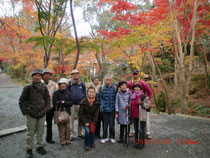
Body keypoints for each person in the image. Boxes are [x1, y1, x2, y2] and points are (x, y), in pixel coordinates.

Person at [19, 69, 50, 158]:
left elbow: (48, 99)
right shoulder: (28, 88)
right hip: (31, 113)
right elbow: (22, 101)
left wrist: (46, 109)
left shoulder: (44, 87)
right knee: (30, 132)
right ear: (32, 77)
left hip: (42, 113)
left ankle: (39, 146)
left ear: (41, 77)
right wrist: (25, 112)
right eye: (35, 75)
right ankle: (29, 149)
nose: (37, 77)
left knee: (40, 131)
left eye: (39, 75)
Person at [127, 69, 152, 139]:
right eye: (134, 74)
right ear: (132, 74)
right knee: (132, 117)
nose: (135, 75)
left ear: (138, 74)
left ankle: (147, 132)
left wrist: (147, 100)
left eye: (136, 74)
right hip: (133, 103)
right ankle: (132, 131)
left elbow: (150, 92)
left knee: (146, 118)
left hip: (142, 103)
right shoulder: (129, 83)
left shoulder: (143, 83)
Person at [97, 74, 117, 144]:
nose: (108, 81)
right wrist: (101, 105)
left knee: (112, 125)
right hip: (104, 110)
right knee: (105, 124)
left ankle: (112, 137)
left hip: (112, 109)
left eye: (109, 80)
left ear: (112, 81)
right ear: (104, 80)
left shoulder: (115, 88)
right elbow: (98, 97)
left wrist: (116, 108)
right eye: (107, 80)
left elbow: (116, 98)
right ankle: (104, 137)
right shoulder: (101, 87)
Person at [67, 69, 86, 140]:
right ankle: (71, 134)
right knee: (71, 120)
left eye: (76, 74)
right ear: (71, 75)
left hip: (80, 104)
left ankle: (80, 133)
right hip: (72, 104)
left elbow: (85, 93)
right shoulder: (69, 83)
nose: (75, 75)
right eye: (73, 74)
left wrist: (83, 102)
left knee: (80, 119)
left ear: (78, 75)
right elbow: (67, 93)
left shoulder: (82, 83)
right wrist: (69, 101)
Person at [79, 87, 100, 151]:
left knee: (92, 130)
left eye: (93, 92)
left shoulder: (97, 102)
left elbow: (96, 115)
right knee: (88, 131)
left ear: (95, 93)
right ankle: (87, 144)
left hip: (93, 120)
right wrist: (85, 122)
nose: (91, 93)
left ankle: (92, 142)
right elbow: (81, 114)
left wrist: (93, 122)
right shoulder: (83, 102)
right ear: (87, 93)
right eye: (90, 92)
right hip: (84, 120)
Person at [53, 78, 72, 146]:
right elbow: (54, 103)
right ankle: (62, 140)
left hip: (67, 112)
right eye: (62, 84)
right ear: (59, 85)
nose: (63, 85)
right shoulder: (56, 93)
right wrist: (62, 102)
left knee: (67, 128)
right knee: (61, 128)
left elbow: (71, 103)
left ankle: (68, 139)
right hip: (59, 112)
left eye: (64, 84)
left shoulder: (68, 93)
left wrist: (63, 102)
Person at [131, 83, 148, 149]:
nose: (136, 88)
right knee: (136, 129)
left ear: (140, 89)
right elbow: (132, 104)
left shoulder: (144, 96)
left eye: (138, 87)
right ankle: (137, 142)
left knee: (141, 130)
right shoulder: (132, 96)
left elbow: (148, 106)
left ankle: (142, 144)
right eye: (135, 87)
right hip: (134, 115)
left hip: (141, 116)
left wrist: (142, 103)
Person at [42, 68, 57, 144]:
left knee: (49, 123)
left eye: (48, 74)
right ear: (43, 75)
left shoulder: (53, 84)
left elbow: (55, 96)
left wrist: (55, 106)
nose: (47, 75)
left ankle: (49, 138)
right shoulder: (40, 83)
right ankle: (40, 140)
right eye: (45, 74)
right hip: (41, 107)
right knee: (40, 124)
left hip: (50, 107)